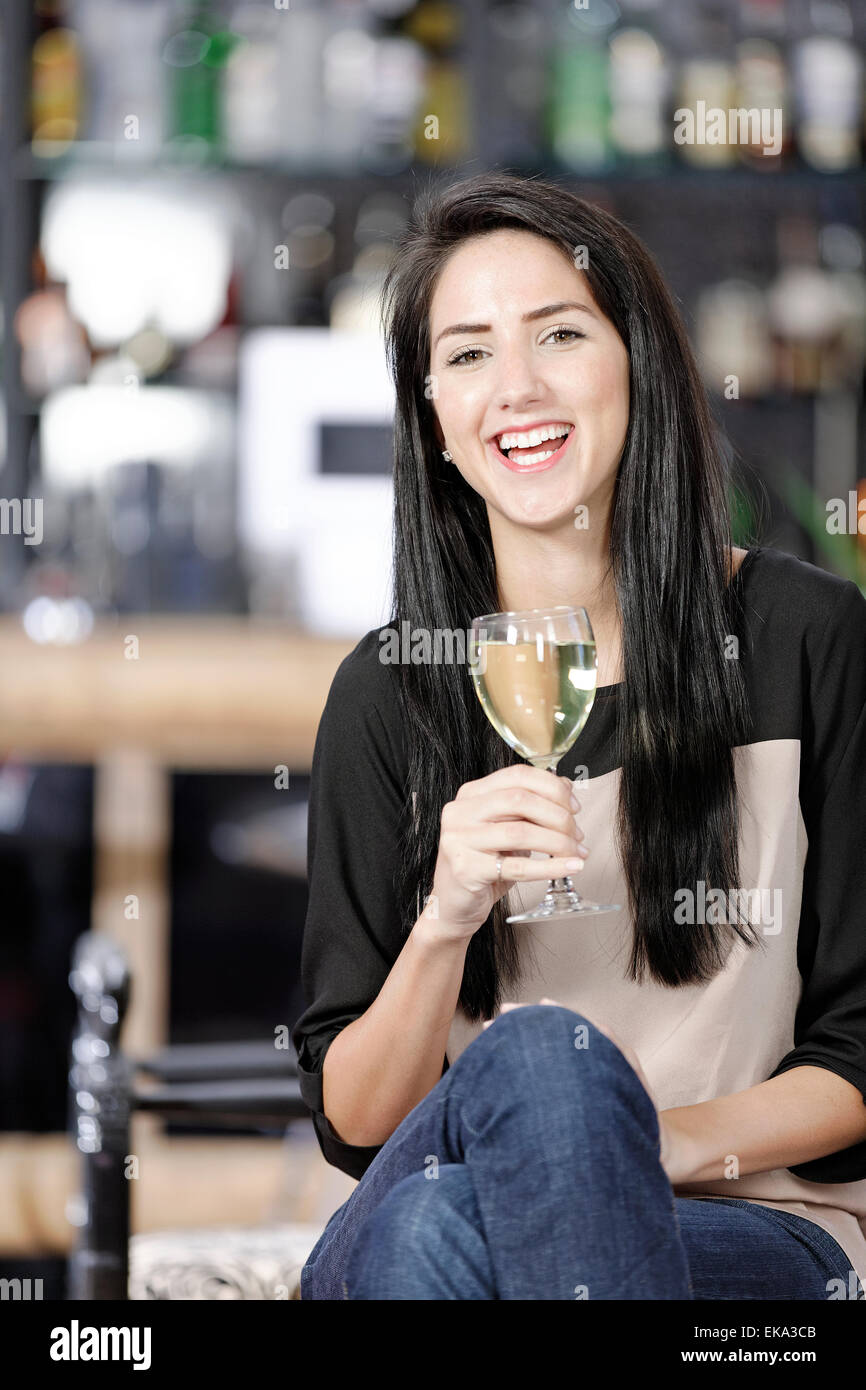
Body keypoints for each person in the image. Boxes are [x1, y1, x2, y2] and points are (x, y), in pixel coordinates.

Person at [291, 172, 866, 1300]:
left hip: (750, 1229)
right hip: (442, 1180)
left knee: (450, 1220)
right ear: (434, 423)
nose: (514, 386)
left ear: (637, 362)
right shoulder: (389, 693)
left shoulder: (807, 641)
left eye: (557, 333)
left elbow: (857, 1059)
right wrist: (446, 919)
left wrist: (612, 1144)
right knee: (505, 1106)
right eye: (465, 355)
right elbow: (356, 1125)